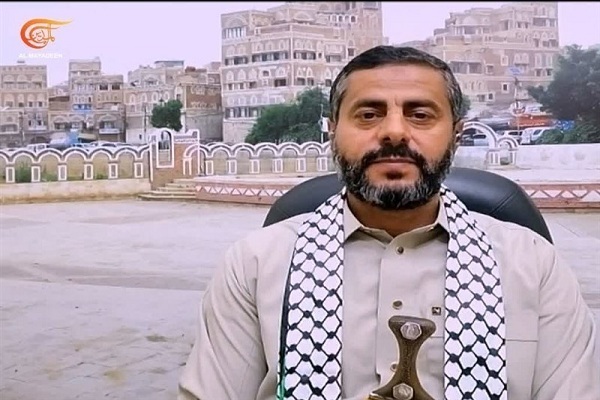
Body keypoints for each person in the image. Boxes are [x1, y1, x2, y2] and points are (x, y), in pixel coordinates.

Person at [178, 46, 600, 400]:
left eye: (420, 115)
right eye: (368, 115)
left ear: (456, 135)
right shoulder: (255, 264)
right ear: (333, 132)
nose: (394, 132)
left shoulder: (533, 265)